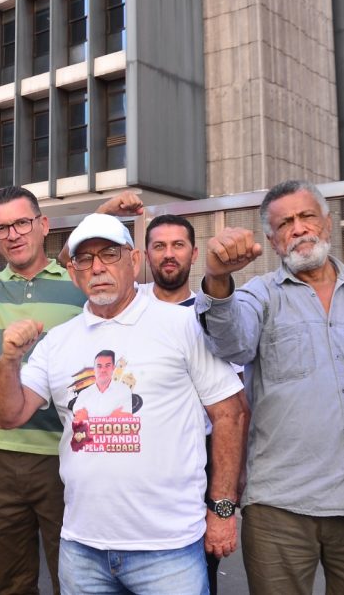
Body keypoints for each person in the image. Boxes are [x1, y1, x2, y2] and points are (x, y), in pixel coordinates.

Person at [195, 179, 344, 595]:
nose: (298, 228)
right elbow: (230, 340)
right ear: (273, 241)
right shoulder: (260, 295)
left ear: (327, 224)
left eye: (306, 216)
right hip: (280, 509)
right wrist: (218, 281)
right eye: (284, 223)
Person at [0, 213, 248, 594]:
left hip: (168, 549)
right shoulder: (58, 342)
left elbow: (231, 412)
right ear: (74, 273)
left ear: (134, 260)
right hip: (82, 547)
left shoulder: (181, 325)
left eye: (109, 254)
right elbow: (9, 415)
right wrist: (10, 358)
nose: (97, 268)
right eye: (84, 259)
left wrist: (222, 509)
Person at [0, 173, 142, 594]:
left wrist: (103, 215)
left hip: (67, 451)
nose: (12, 235)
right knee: (12, 582)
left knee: (73, 578)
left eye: (22, 223)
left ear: (43, 226)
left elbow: (101, 266)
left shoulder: (78, 285)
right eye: (1, 228)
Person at [142, 213, 245, 595]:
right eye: (159, 246)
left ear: (194, 252)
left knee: (200, 565)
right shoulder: (128, 304)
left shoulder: (215, 314)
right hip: (137, 451)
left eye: (178, 245)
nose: (169, 255)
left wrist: (225, 506)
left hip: (201, 455)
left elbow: (234, 413)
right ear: (146, 254)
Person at [71, 351, 132, 420]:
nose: (103, 370)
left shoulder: (124, 391)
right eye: (99, 366)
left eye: (107, 365)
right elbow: (79, 420)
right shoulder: (84, 394)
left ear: (113, 368)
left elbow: (124, 418)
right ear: (94, 369)